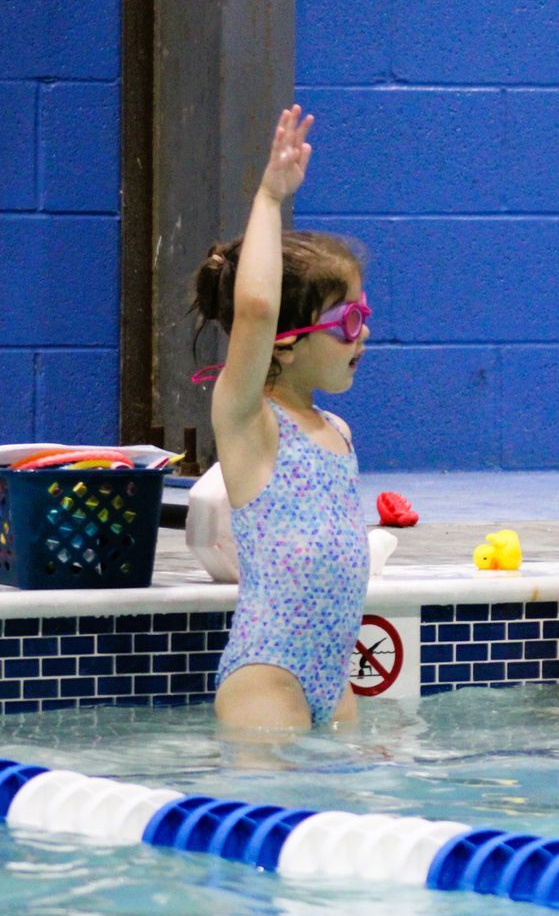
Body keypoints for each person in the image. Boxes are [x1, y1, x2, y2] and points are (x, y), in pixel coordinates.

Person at [194, 105, 372, 728]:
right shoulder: (251, 423)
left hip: (334, 681)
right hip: (267, 677)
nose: (363, 333)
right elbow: (257, 308)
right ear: (287, 339)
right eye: (347, 321)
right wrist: (270, 197)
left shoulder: (339, 435)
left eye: (363, 313)